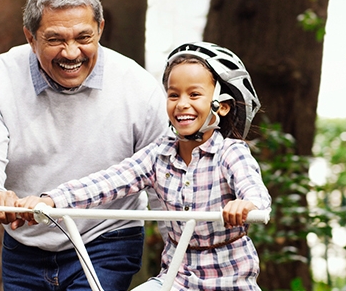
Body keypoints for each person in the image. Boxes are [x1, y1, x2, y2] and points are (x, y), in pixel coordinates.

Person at [0, 0, 169, 290]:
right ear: (30, 37)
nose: (71, 53)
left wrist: (180, 256)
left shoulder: (138, 87)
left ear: (100, 29)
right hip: (25, 246)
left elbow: (162, 180)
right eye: (55, 39)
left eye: (83, 38)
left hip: (106, 236)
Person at [16, 41, 272, 290]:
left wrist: (247, 205)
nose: (181, 103)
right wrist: (51, 200)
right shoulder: (158, 155)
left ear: (222, 106)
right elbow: (108, 181)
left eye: (194, 94)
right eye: (174, 95)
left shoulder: (230, 153)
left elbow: (254, 191)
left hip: (230, 281)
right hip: (177, 279)